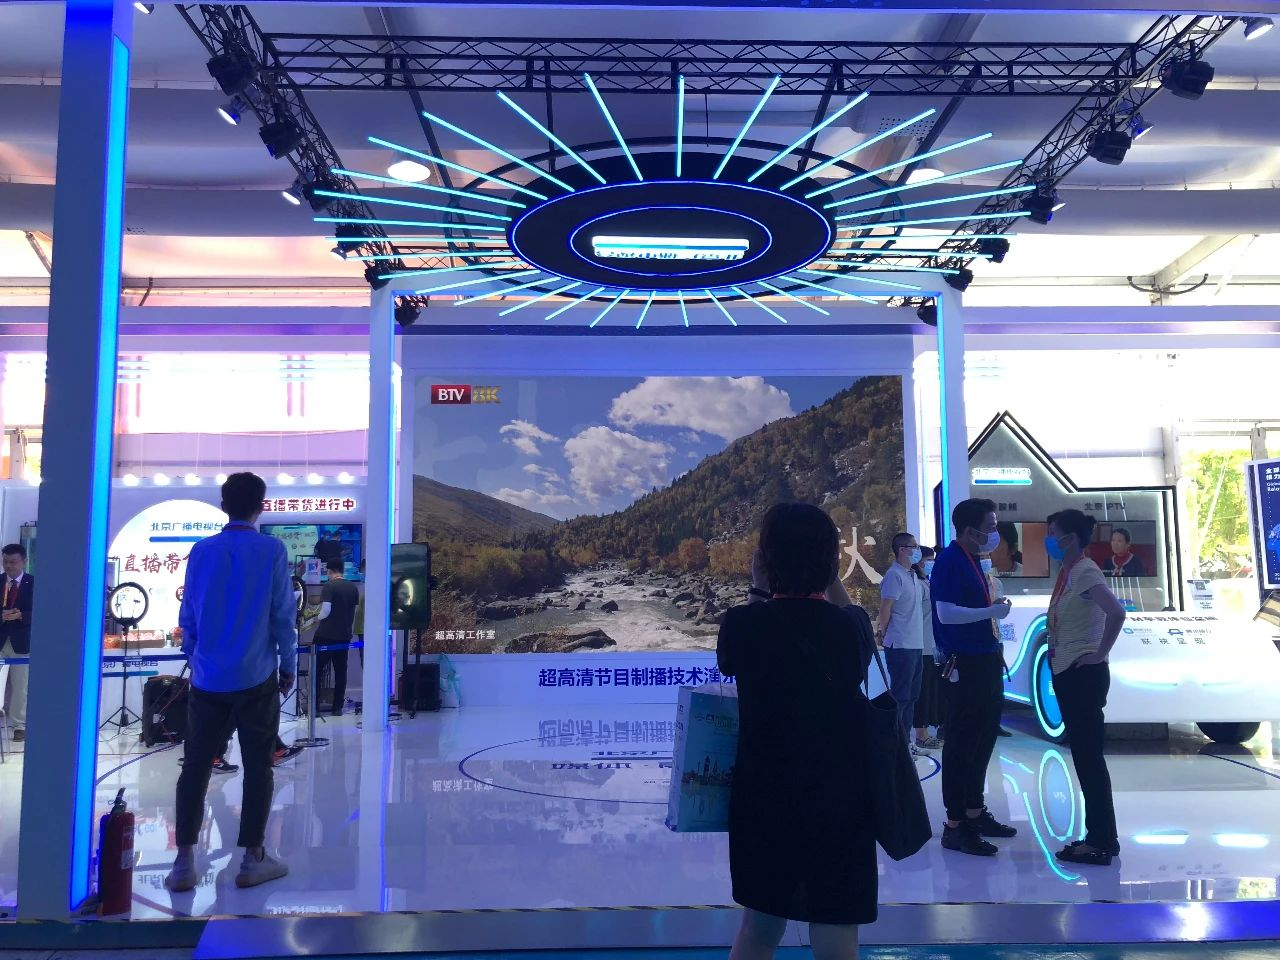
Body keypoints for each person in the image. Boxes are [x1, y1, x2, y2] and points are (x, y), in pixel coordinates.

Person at [718, 503, 876, 960]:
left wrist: (758, 588)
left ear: (766, 560)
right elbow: (853, 622)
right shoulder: (850, 628)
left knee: (759, 927)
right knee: (836, 934)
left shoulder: (742, 625)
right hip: (840, 797)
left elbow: (736, 654)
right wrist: (831, 579)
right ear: (830, 561)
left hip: (765, 796)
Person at [167, 472, 297, 892]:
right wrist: (289, 664)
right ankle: (252, 859)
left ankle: (183, 862)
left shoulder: (201, 551)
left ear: (224, 506)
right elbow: (282, 615)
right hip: (256, 677)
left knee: (195, 767)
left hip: (208, 679)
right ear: (262, 506)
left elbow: (189, 614)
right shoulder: (272, 550)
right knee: (259, 767)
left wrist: (194, 657)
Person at [931, 498, 1018, 857]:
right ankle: (955, 825)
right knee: (962, 744)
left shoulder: (973, 560)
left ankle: (974, 811)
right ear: (970, 530)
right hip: (964, 663)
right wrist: (989, 611)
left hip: (984, 659)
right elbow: (946, 614)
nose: (995, 533)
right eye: (991, 527)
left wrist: (991, 611)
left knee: (982, 740)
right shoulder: (950, 561)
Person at [1045, 509, 1127, 866]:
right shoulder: (1070, 572)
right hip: (1070, 672)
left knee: (1089, 759)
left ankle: (1100, 840)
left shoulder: (1084, 570)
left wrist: (1099, 653)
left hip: (1083, 674)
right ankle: (1100, 836)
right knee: (1085, 756)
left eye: (1053, 533)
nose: (1048, 539)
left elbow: (1116, 612)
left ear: (1070, 538)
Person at [876, 533, 930, 757]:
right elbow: (886, 607)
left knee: (912, 696)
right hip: (900, 644)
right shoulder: (894, 575)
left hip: (916, 643)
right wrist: (882, 632)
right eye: (913, 546)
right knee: (901, 696)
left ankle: (905, 742)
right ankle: (895, 745)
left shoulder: (913, 575)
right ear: (902, 549)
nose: (917, 550)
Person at [314, 557, 359, 715]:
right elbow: (353, 611)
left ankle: (315, 707)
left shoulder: (329, 586)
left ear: (330, 570)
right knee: (340, 672)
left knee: (317, 671)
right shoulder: (352, 588)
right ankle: (337, 707)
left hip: (326, 635)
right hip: (344, 635)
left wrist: (316, 618)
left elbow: (326, 610)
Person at [0, 544, 33, 743]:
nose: (8, 566)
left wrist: (21, 615)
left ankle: (19, 725)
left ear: (24, 561)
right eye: (5, 561)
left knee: (21, 686)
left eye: (13, 562)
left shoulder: (34, 583)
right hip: (1, 640)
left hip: (21, 642)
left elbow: (42, 611)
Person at [912, 547, 944, 751]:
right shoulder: (916, 584)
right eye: (927, 559)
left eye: (932, 559)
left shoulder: (928, 583)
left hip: (931, 645)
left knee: (931, 691)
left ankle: (925, 731)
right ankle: (920, 735)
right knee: (921, 692)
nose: (931, 563)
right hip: (920, 644)